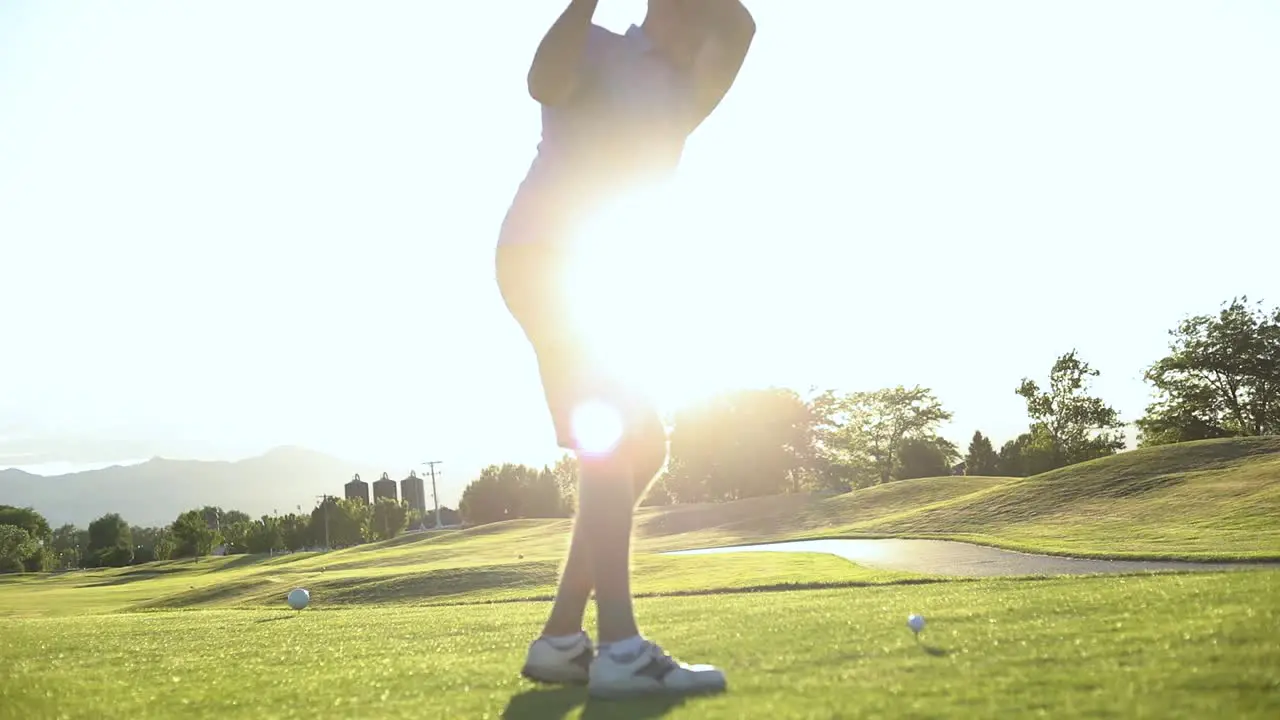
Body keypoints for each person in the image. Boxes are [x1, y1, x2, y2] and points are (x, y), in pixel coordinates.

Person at [496, 0, 756, 700]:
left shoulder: (684, 91)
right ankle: (620, 646)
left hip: (596, 273)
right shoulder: (599, 49)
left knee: (643, 446)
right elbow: (542, 83)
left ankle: (560, 639)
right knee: (610, 434)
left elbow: (742, 28)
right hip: (547, 258)